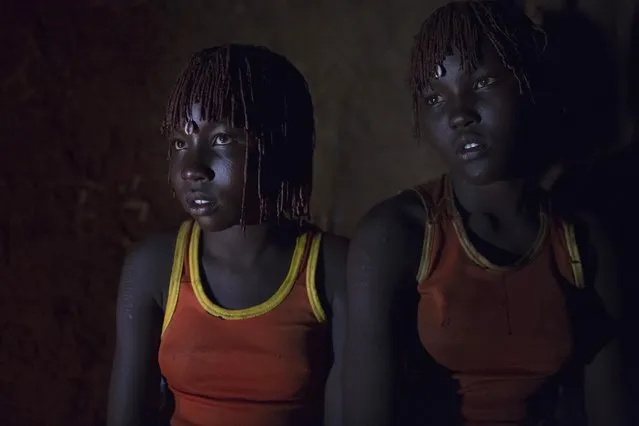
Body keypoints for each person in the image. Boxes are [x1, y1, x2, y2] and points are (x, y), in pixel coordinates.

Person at [343, 1, 626, 425]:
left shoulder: (583, 242)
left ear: (530, 83)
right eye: (435, 97)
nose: (459, 114)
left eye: (483, 82)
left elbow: (614, 408)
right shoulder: (396, 235)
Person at [107, 44, 347, 426]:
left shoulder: (331, 270)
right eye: (179, 143)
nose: (192, 169)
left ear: (280, 143)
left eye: (221, 139)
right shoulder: (155, 267)